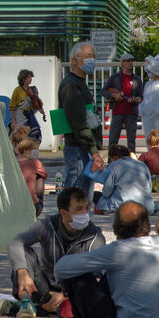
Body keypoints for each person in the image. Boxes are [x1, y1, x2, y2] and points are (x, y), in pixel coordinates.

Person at [27, 201, 159, 318]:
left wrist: (64, 281)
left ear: (116, 227)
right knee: (110, 274)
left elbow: (61, 266)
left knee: (78, 276)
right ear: (147, 225)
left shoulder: (120, 250)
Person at [5, 187, 105, 318]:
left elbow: (97, 280)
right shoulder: (47, 225)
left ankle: (25, 308)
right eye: (79, 209)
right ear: (63, 213)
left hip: (76, 293)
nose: (85, 213)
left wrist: (65, 296)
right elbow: (15, 242)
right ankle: (26, 302)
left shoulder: (95, 236)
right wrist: (22, 272)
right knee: (24, 252)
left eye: (86, 208)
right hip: (43, 287)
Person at [60, 41, 104, 202]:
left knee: (83, 194)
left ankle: (82, 224)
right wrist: (94, 152)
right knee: (76, 195)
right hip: (77, 149)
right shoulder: (71, 85)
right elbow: (78, 123)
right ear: (75, 61)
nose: (92, 60)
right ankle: (70, 224)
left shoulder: (79, 83)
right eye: (87, 56)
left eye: (93, 56)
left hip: (82, 148)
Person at [94, 144, 155, 215]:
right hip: (146, 207)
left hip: (121, 206)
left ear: (114, 157)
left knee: (96, 196)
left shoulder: (114, 165)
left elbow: (107, 192)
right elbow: (149, 188)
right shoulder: (142, 165)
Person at [100, 54, 143, 152]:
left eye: (131, 61)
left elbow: (141, 96)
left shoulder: (137, 79)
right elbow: (103, 91)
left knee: (131, 141)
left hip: (131, 113)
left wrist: (138, 99)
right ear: (122, 62)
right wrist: (113, 95)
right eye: (128, 61)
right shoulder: (114, 78)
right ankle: (111, 163)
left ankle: (132, 163)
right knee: (113, 140)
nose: (130, 63)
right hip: (117, 112)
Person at [9, 69, 47, 142]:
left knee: (36, 136)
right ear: (23, 79)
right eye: (29, 78)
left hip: (30, 116)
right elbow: (12, 107)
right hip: (20, 117)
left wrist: (42, 111)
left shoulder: (33, 89)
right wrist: (13, 121)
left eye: (31, 78)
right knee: (19, 137)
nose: (31, 79)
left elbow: (37, 103)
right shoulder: (17, 90)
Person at [16, 138, 47, 217]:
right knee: (40, 176)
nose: (37, 152)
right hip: (32, 205)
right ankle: (37, 200)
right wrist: (36, 160)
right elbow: (45, 174)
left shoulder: (14, 162)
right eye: (35, 149)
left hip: (15, 204)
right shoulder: (34, 163)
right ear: (26, 150)